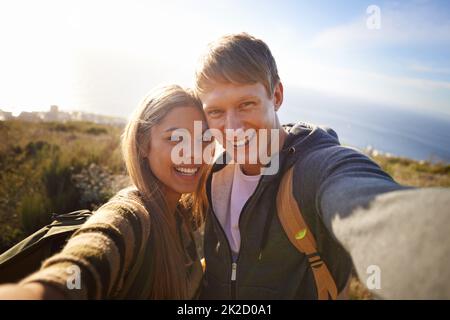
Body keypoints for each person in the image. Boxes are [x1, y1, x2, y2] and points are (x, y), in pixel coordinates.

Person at [194, 33, 450, 299]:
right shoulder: (215, 172)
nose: (233, 128)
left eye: (246, 104)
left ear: (277, 95)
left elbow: (363, 197)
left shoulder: (315, 170)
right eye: (216, 112)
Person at [0, 85, 210, 299]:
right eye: (175, 139)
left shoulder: (181, 216)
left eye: (203, 139)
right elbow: (77, 271)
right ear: (143, 145)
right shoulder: (130, 216)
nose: (194, 153)